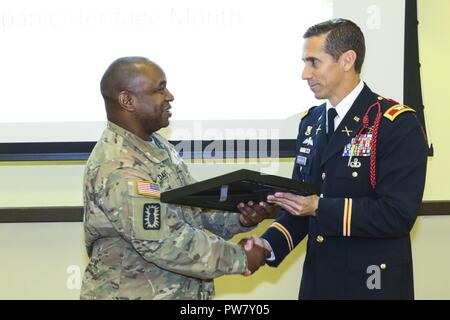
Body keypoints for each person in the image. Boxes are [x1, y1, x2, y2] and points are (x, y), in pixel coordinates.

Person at [243, 19, 428, 299]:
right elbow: (299, 208)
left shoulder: (394, 123)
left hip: (372, 285)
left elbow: (397, 215)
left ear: (347, 60)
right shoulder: (312, 122)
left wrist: (319, 207)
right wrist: (266, 246)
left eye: (314, 62)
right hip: (319, 283)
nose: (305, 74)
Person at [80, 57, 269, 300]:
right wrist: (240, 258)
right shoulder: (118, 165)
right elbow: (165, 243)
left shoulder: (156, 145)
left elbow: (192, 211)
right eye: (159, 89)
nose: (170, 96)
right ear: (128, 101)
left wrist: (239, 219)